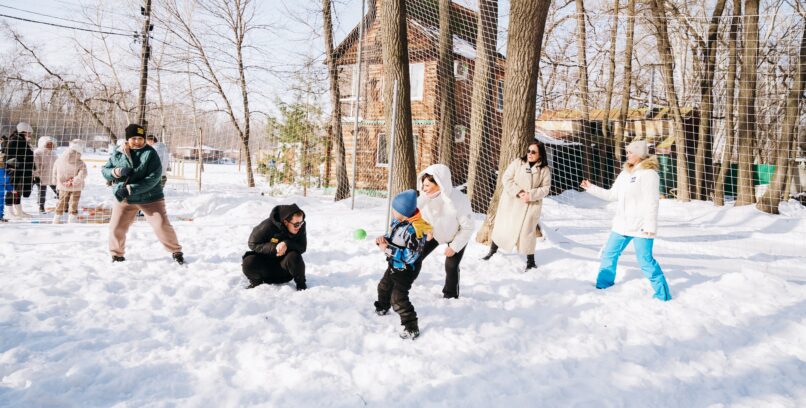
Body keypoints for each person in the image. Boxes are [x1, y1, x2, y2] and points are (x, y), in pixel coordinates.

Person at [580, 140, 672, 302]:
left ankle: (663, 294)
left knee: (645, 261)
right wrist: (590, 188)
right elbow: (611, 195)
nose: (627, 155)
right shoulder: (624, 174)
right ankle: (603, 286)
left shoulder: (649, 174)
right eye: (627, 152)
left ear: (640, 154)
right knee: (609, 254)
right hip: (621, 224)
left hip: (641, 226)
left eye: (630, 152)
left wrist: (650, 225)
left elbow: (652, 202)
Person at [102, 124, 184, 264]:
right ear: (127, 139)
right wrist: (117, 172)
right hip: (125, 198)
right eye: (134, 138)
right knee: (116, 227)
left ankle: (176, 251)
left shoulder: (150, 153)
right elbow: (105, 171)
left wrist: (130, 189)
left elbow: (153, 179)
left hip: (150, 198)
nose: (137, 141)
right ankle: (117, 255)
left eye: (140, 138)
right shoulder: (118, 151)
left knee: (161, 225)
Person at [482, 139, 551, 271]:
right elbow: (506, 178)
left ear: (540, 155)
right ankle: (492, 251)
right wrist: (519, 192)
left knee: (527, 232)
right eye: (528, 151)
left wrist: (530, 195)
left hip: (530, 205)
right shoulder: (518, 162)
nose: (529, 153)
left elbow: (546, 188)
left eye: (533, 152)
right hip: (512, 202)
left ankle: (530, 261)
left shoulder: (544, 170)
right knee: (503, 226)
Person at [374, 189, 432, 340]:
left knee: (398, 299)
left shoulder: (415, 231)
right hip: (394, 264)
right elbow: (392, 236)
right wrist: (384, 240)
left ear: (404, 212)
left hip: (406, 270)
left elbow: (410, 256)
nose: (392, 211)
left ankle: (411, 326)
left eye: (395, 209)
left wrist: (387, 249)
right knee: (383, 286)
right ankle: (382, 306)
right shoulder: (398, 221)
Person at [416, 164, 474, 299]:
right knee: (415, 256)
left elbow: (468, 227)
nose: (423, 189)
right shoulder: (424, 196)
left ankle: (451, 295)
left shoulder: (458, 200)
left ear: (439, 184)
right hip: (434, 234)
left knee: (451, 265)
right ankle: (405, 280)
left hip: (456, 234)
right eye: (423, 185)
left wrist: (454, 246)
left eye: (427, 186)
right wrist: (425, 229)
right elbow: (413, 215)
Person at [242, 203, 307, 290]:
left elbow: (302, 247)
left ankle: (301, 285)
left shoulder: (300, 226)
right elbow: (252, 243)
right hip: (265, 267)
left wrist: (286, 243)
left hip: (285, 270)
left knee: (295, 256)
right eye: (296, 224)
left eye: (301, 223)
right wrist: (275, 248)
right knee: (248, 262)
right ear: (285, 222)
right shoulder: (267, 225)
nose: (299, 227)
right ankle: (256, 284)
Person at [2, 123, 36, 219]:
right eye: (29, 133)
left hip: (23, 170)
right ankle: (9, 211)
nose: (30, 135)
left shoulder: (23, 141)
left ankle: (19, 211)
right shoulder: (14, 141)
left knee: (18, 191)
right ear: (23, 132)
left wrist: (32, 167)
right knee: (12, 190)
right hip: (14, 171)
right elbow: (9, 157)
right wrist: (14, 167)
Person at [52, 140, 87, 224]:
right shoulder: (80, 163)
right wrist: (73, 182)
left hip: (62, 185)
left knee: (61, 201)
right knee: (74, 202)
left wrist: (55, 180)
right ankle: (72, 219)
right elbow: (82, 174)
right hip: (76, 186)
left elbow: (54, 171)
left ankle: (56, 218)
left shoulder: (59, 160)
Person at [33, 136, 59, 213]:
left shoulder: (54, 153)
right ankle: (41, 206)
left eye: (51, 144)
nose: (50, 145)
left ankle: (64, 204)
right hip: (41, 176)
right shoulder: (37, 153)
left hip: (52, 176)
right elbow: (35, 165)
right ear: (43, 144)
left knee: (59, 191)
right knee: (42, 192)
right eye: (48, 144)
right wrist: (36, 175)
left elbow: (57, 164)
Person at [0, 153, 9, 222]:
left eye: (3, 159)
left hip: (1, 191)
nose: (2, 160)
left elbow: (6, 181)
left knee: (1, 204)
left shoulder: (4, 169)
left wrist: (11, 189)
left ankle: (0, 216)